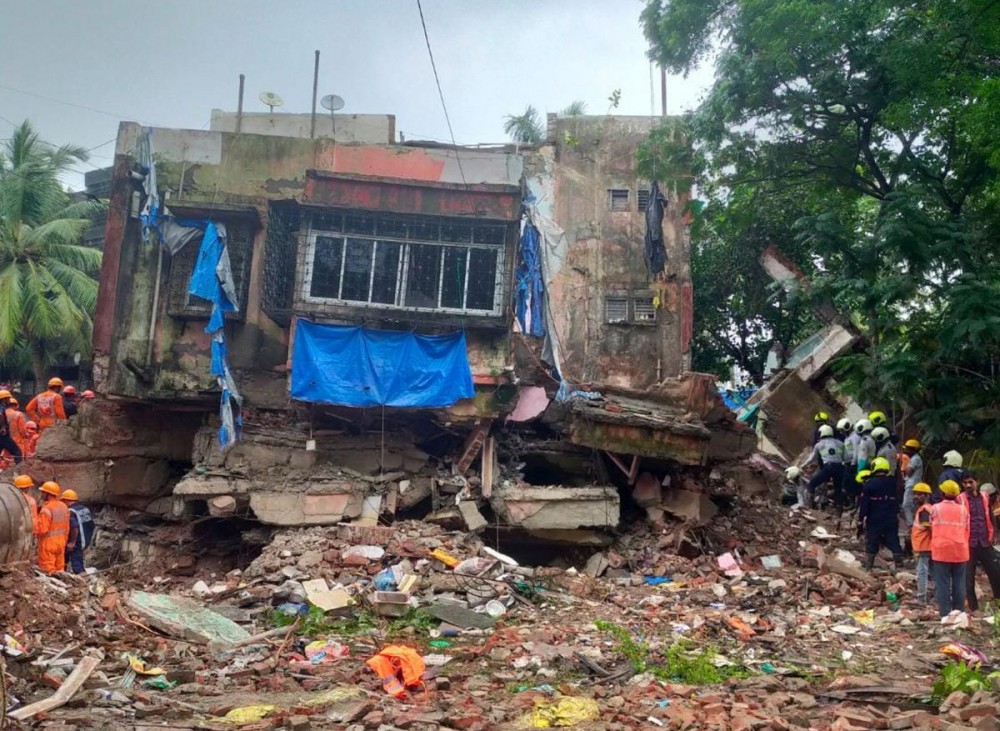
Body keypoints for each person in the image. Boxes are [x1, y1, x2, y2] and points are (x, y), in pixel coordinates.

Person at [958, 472, 1000, 613]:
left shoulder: (985, 497)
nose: (968, 485)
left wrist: (993, 532)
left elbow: (990, 515)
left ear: (977, 482)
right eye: (965, 483)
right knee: (968, 578)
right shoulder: (960, 499)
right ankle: (973, 608)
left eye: (970, 482)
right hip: (968, 543)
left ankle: (999, 603)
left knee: (995, 573)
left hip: (984, 541)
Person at [930, 480, 969, 619]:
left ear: (943, 493)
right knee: (959, 583)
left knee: (943, 584)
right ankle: (958, 614)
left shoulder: (935, 508)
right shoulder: (963, 509)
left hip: (941, 551)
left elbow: (931, 525)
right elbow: (967, 529)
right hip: (960, 550)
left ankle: (945, 616)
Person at [858, 457, 905, 572]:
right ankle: (899, 565)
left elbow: (864, 504)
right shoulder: (893, 483)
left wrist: (860, 519)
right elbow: (899, 498)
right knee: (893, 539)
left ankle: (869, 566)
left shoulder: (869, 484)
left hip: (875, 517)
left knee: (873, 539)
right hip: (891, 516)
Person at [805, 424, 845, 509]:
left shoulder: (819, 444)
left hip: (828, 467)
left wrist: (803, 465)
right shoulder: (840, 443)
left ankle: (810, 506)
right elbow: (844, 457)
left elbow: (812, 458)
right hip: (839, 467)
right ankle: (838, 509)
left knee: (812, 484)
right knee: (838, 488)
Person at [35, 481, 69, 574]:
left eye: (43, 492)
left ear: (48, 494)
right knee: (60, 569)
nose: (41, 494)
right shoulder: (64, 506)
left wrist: (33, 530)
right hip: (61, 542)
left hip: (48, 544)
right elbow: (67, 527)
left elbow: (42, 530)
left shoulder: (47, 509)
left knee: (48, 571)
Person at [910, 482, 934, 605]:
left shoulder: (924, 510)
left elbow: (929, 528)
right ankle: (938, 597)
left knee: (922, 573)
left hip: (923, 546)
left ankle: (921, 599)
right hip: (929, 546)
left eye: (919, 494)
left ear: (926, 495)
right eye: (915, 494)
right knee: (935, 573)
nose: (916, 497)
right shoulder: (929, 508)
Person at [61, 489, 95, 574]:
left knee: (76, 562)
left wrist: (72, 542)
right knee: (67, 557)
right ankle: (64, 572)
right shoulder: (85, 509)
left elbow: (74, 527)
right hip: (86, 538)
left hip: (77, 540)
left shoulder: (71, 511)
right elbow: (92, 524)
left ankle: (81, 577)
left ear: (66, 500)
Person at [900, 440, 925, 528]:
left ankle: (910, 525)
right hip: (912, 484)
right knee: (913, 505)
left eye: (908, 449)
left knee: (906, 505)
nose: (906, 451)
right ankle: (914, 523)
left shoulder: (915, 459)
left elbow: (909, 472)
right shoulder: (914, 458)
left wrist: (904, 465)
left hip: (912, 484)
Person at [0, 390, 22, 464]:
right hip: (3, 436)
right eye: (8, 399)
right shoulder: (1, 406)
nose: (9, 401)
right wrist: (2, 426)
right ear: (4, 399)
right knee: (17, 452)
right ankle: (18, 471)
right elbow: (0, 415)